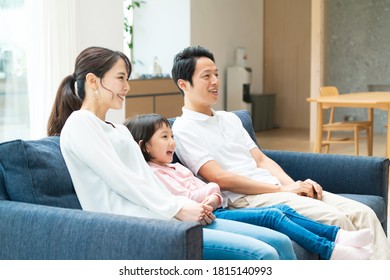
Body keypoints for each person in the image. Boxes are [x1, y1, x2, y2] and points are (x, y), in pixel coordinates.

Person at [46, 46, 297, 260]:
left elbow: (148, 179)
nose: (127, 87)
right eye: (120, 78)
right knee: (264, 254)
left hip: (166, 217)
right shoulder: (80, 124)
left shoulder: (120, 131)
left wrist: (189, 204)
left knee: (280, 242)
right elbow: (122, 181)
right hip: (134, 226)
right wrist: (176, 209)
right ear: (93, 81)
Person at [170, 45, 390, 260]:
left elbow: (261, 159)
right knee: (337, 219)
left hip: (275, 189)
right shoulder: (183, 129)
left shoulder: (230, 119)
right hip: (246, 199)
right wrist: (283, 189)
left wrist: (295, 185)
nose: (216, 81)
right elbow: (219, 178)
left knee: (364, 214)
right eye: (207, 76)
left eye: (216, 74)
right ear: (184, 84)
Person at [124, 113, 373, 260]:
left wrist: (210, 194)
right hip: (212, 216)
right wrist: (210, 194)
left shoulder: (176, 167)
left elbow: (209, 190)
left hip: (216, 209)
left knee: (286, 212)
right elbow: (193, 195)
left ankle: (337, 237)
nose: (172, 143)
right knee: (274, 215)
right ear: (145, 146)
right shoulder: (154, 173)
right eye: (164, 137)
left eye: (172, 136)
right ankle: (331, 249)